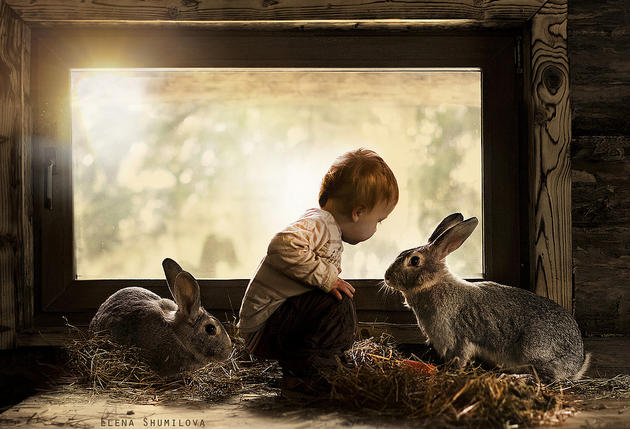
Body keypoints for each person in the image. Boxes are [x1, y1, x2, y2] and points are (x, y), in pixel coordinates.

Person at [237, 148, 399, 391]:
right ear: (358, 212)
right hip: (265, 327)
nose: (376, 228)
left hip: (276, 324)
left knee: (335, 299)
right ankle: (313, 376)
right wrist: (328, 278)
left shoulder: (327, 227)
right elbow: (282, 245)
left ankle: (320, 367)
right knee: (336, 302)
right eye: (378, 221)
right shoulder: (319, 222)